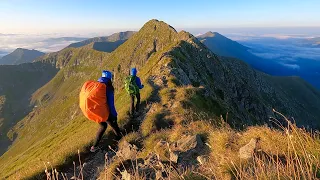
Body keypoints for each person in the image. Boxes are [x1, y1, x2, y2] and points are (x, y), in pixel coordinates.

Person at [90, 70, 121, 152]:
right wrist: (114, 115)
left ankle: (94, 147)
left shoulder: (96, 85)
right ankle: (120, 141)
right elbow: (111, 103)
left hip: (96, 111)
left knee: (103, 126)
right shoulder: (108, 87)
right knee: (115, 126)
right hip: (105, 112)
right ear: (109, 78)